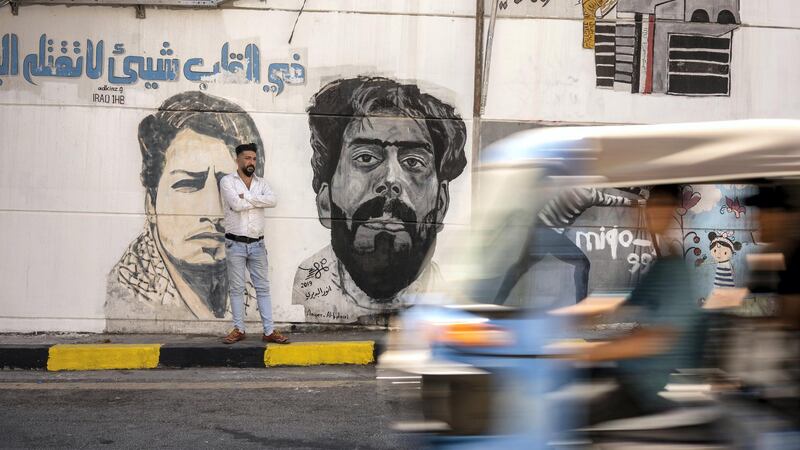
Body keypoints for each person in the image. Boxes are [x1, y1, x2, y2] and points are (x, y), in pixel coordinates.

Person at [292, 76, 468, 325]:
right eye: (365, 158)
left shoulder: (458, 297)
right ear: (325, 201)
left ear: (440, 204)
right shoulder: (308, 282)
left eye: (413, 162)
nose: (390, 180)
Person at [106, 91, 265, 331]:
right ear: (151, 202)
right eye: (188, 184)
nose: (214, 212)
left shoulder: (254, 277)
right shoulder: (127, 290)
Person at [576, 185, 704, 425]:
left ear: (672, 212)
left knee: (571, 419)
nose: (651, 214)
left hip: (641, 388)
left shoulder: (675, 270)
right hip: (629, 376)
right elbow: (623, 306)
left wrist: (582, 354)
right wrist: (570, 319)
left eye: (661, 207)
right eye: (651, 207)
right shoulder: (662, 264)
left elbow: (654, 339)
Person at [494, 186, 645, 304]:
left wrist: (637, 192)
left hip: (538, 227)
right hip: (550, 235)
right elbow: (613, 200)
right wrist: (638, 201)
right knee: (583, 263)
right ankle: (581, 309)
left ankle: (496, 302)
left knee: (520, 267)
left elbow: (615, 189)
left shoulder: (576, 184)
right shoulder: (589, 195)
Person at [220, 143, 288, 344]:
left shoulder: (262, 183)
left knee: (263, 288)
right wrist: (258, 200)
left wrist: (247, 197)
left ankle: (269, 331)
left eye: (254, 159)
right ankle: (239, 329)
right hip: (236, 244)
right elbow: (236, 204)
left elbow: (273, 200)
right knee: (237, 288)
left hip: (258, 245)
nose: (251, 162)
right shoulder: (227, 181)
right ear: (238, 159)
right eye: (247, 158)